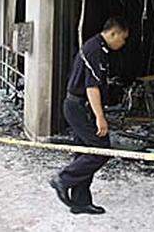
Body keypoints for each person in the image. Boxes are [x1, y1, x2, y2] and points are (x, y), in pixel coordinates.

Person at [50, 17, 129, 215]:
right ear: (113, 33)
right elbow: (91, 87)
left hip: (78, 106)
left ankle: (80, 201)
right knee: (102, 149)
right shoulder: (95, 50)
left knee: (84, 152)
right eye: (123, 38)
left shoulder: (97, 48)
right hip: (79, 107)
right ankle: (63, 178)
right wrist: (100, 117)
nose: (123, 43)